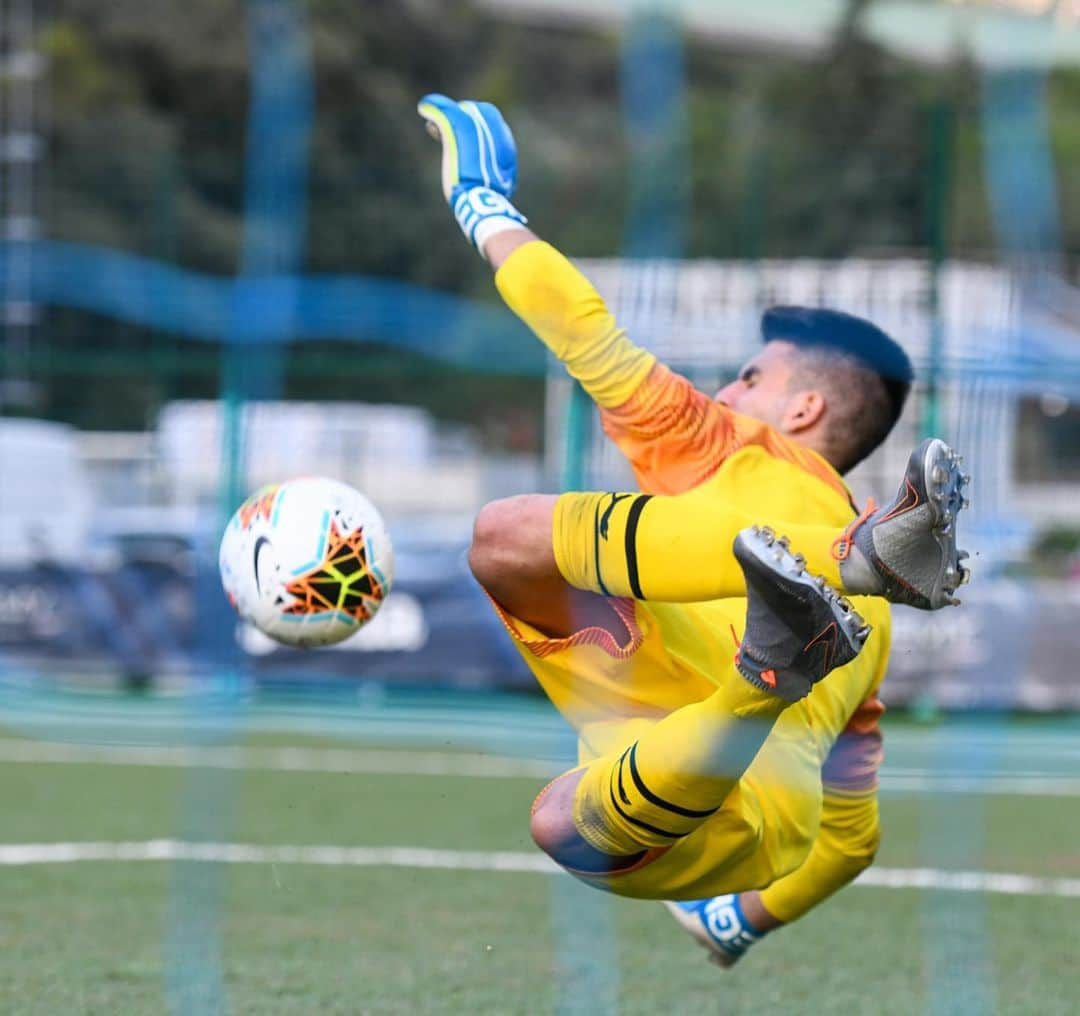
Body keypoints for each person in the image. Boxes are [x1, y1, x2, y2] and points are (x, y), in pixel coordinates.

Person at [417, 93, 969, 966]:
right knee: (558, 817)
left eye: (749, 376)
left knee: (503, 537)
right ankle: (782, 649)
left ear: (804, 404)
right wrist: (742, 918)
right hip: (755, 823)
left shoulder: (723, 443)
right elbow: (852, 839)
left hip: (674, 781)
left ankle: (792, 629)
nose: (726, 393)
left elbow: (582, 331)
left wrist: (483, 206)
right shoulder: (883, 623)